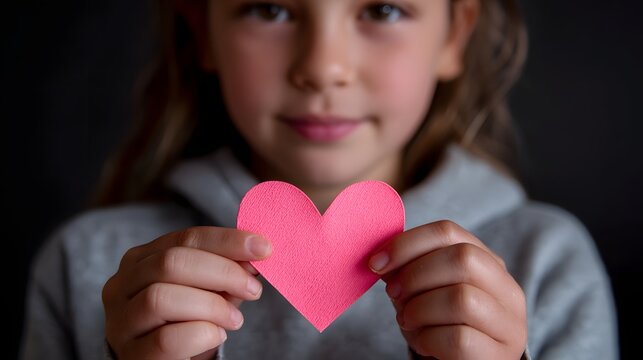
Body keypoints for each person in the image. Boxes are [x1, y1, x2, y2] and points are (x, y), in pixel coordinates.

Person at [19, 0, 618, 359]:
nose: (321, 67)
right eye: (270, 8)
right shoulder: (89, 263)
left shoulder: (545, 264)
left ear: (454, 34)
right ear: (204, 32)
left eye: (382, 9)